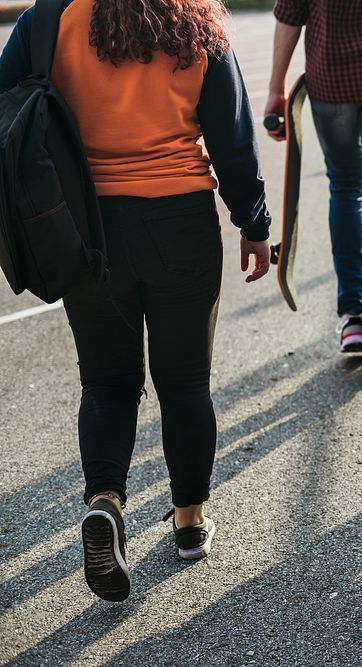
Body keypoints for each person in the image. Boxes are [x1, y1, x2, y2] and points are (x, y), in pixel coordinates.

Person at [0, 0, 272, 601]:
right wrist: (253, 221)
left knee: (106, 382)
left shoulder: (48, 20)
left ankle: (104, 503)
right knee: (185, 382)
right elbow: (231, 137)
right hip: (181, 224)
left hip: (85, 229)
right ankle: (189, 522)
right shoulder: (196, 21)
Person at [268, 0, 362, 376]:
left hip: (330, 81)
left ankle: (354, 318)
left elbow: (289, 15)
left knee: (345, 187)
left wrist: (276, 87)